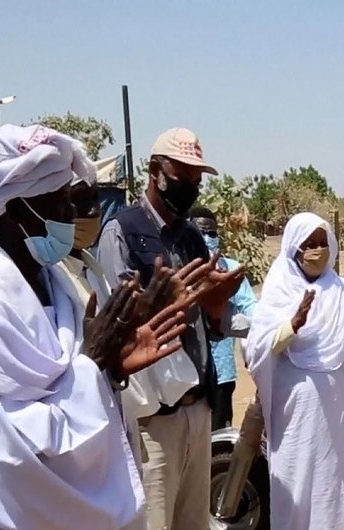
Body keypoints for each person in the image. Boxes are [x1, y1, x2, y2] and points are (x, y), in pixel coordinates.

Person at [0, 124, 189, 529]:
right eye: (59, 203)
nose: (71, 216)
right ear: (17, 210)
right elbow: (11, 453)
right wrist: (95, 363)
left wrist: (112, 368)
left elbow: (73, 384)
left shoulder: (55, 282)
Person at [97, 127, 245, 530]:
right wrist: (167, 301)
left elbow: (210, 328)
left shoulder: (193, 237)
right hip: (153, 420)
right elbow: (115, 325)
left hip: (198, 407)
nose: (192, 187)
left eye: (197, 180)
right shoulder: (122, 232)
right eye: (183, 177)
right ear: (155, 172)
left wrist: (215, 307)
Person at [246, 212, 344, 530]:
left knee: (334, 488)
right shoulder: (280, 287)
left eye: (323, 243)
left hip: (338, 415)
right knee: (296, 483)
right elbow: (256, 349)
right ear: (295, 247)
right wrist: (291, 326)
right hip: (295, 412)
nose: (317, 250)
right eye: (310, 244)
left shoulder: (342, 290)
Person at [189, 205, 258, 431]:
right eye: (201, 233)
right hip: (192, 373)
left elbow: (251, 307)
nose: (208, 238)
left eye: (212, 233)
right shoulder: (183, 270)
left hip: (223, 372)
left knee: (220, 433)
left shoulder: (232, 270)